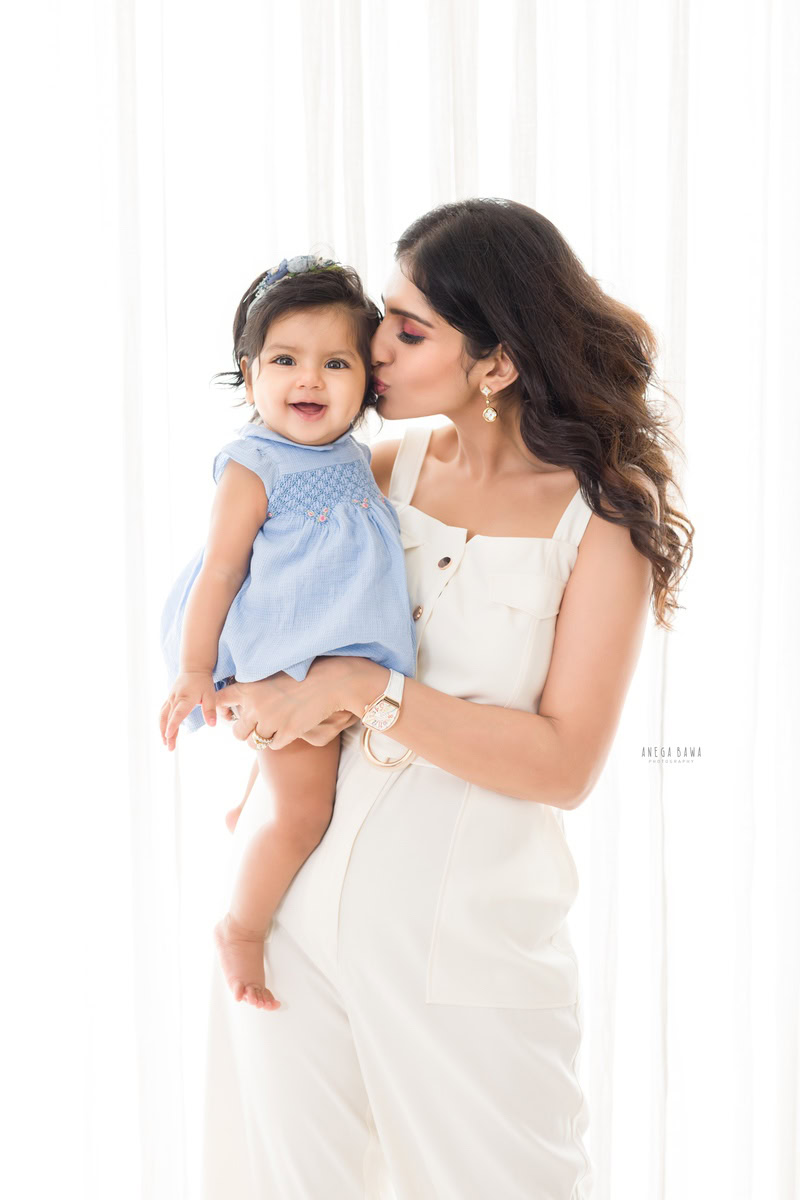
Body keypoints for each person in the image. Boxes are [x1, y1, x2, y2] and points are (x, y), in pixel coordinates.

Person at [200, 198, 694, 1199]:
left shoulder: (601, 519)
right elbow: (251, 625)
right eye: (383, 314)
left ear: (496, 364)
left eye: (409, 327)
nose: (371, 346)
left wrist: (372, 690)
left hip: (466, 954)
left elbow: (562, 766)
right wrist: (251, 709)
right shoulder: (368, 472)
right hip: (291, 927)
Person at [159, 255, 416, 1010]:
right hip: (284, 657)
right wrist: (194, 669)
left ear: (367, 382)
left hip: (327, 650)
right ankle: (241, 927)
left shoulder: (358, 458)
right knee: (307, 809)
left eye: (335, 361)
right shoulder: (253, 465)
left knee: (304, 775)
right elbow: (219, 571)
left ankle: (249, 805)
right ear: (249, 376)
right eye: (285, 360)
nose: (310, 379)